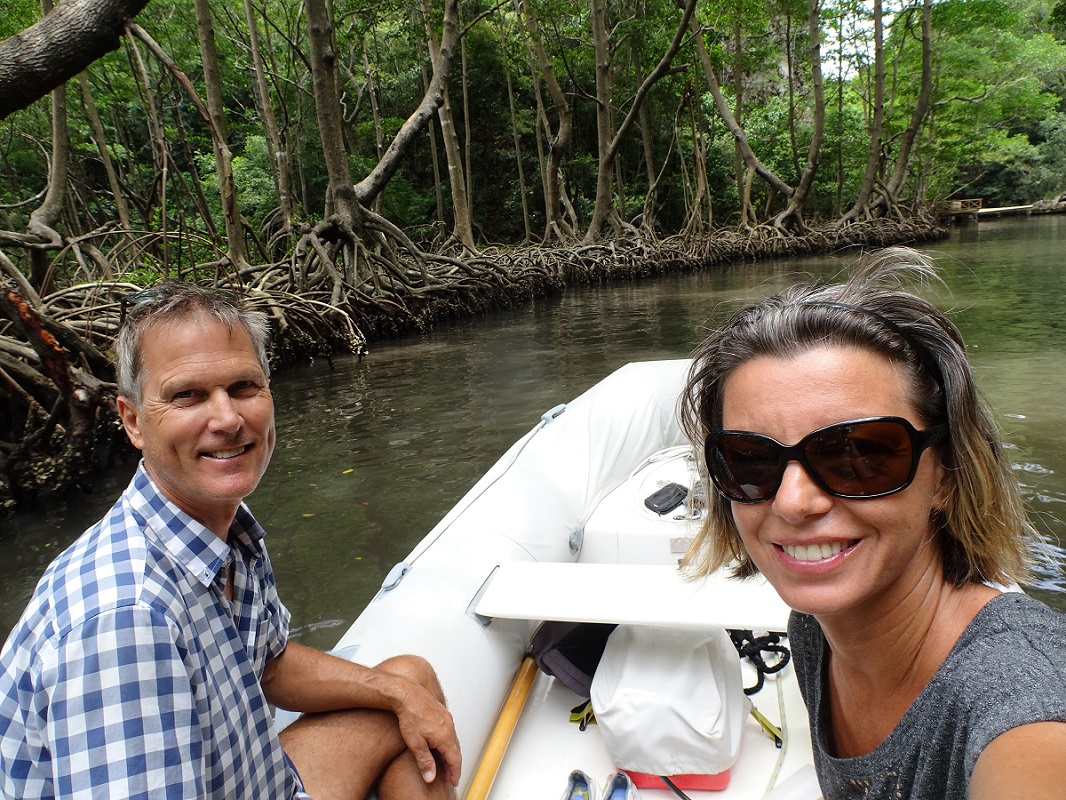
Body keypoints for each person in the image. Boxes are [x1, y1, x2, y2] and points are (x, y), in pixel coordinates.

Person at [0, 282, 461, 799]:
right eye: (187, 395)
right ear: (132, 421)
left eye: (243, 387)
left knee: (409, 679)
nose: (228, 419)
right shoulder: (124, 620)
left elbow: (268, 664)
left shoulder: (221, 527)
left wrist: (396, 694)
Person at [678, 247, 1066, 799]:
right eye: (751, 461)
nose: (793, 502)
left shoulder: (1025, 708)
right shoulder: (814, 630)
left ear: (947, 474)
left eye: (856, 454)